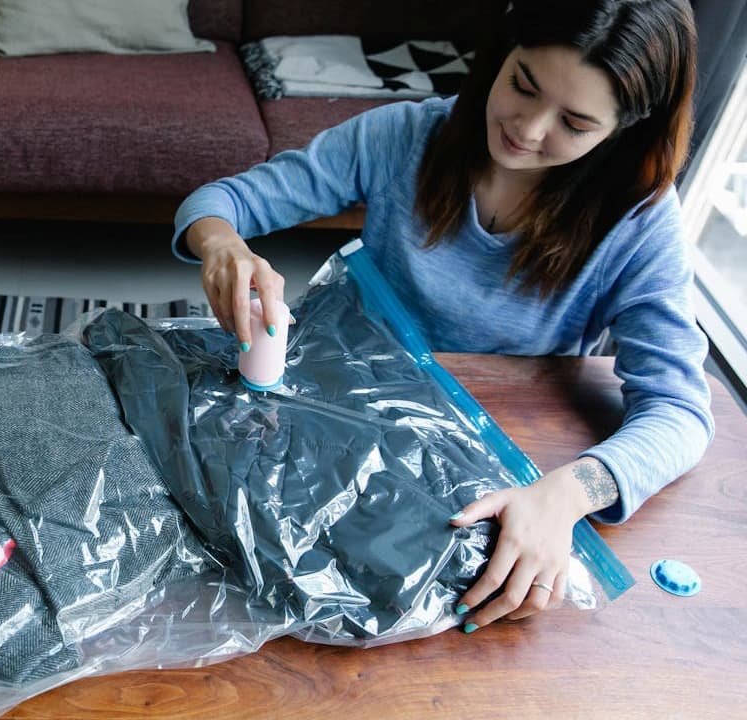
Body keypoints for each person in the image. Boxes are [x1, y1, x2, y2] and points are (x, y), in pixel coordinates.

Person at [172, 0, 712, 632]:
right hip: (328, 412)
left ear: (625, 130)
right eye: (523, 85)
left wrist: (568, 495)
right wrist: (222, 246)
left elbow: (679, 412)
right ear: (502, 53)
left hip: (475, 462)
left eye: (574, 121)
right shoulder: (403, 136)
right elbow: (221, 201)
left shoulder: (639, 223)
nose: (528, 129)